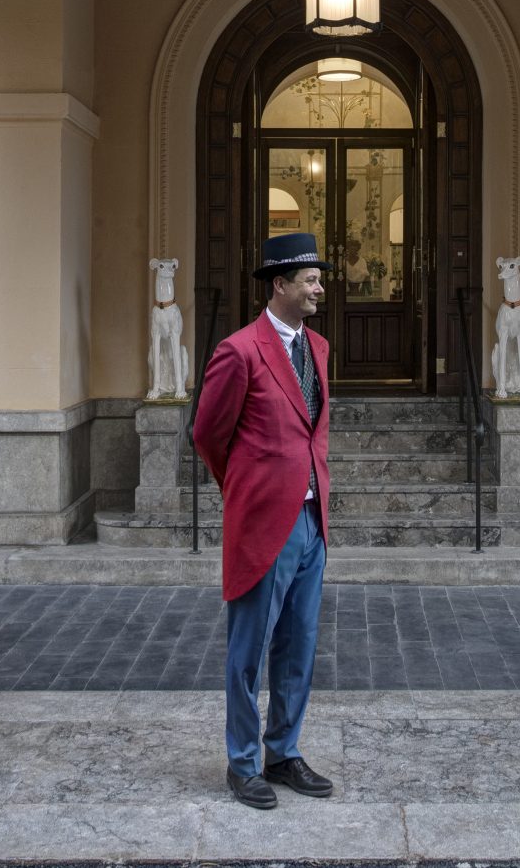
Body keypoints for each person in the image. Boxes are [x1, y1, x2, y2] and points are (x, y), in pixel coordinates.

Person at [190, 230, 336, 809]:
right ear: (280, 285)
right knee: (249, 650)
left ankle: (283, 752)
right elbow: (208, 434)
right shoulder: (239, 350)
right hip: (264, 523)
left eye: (319, 280)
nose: (319, 288)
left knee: (299, 646)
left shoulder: (318, 348)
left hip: (312, 519)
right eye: (310, 280)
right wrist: (244, 489)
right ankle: (243, 762)